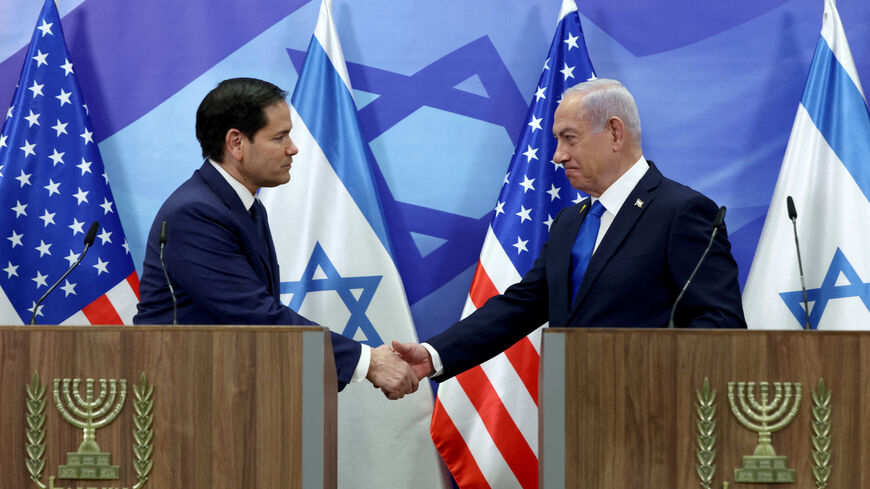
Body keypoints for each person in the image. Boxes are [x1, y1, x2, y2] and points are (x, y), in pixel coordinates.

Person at [393, 78, 747, 381]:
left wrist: (642, 375)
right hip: (568, 413)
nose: (558, 155)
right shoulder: (570, 222)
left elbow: (720, 327)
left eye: (569, 138)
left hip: (651, 420)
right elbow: (523, 305)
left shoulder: (681, 212)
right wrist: (434, 354)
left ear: (614, 132)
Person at [134, 78, 417, 397]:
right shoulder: (196, 213)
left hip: (230, 392)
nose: (293, 148)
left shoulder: (244, 205)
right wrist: (366, 362)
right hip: (185, 397)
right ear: (236, 143)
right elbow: (253, 315)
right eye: (280, 137)